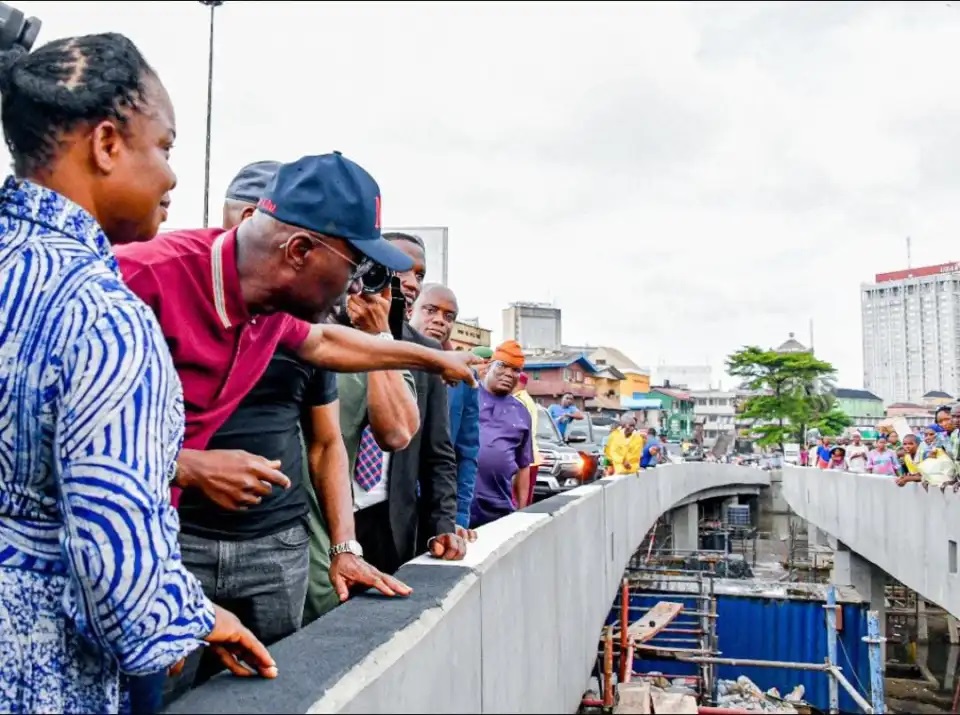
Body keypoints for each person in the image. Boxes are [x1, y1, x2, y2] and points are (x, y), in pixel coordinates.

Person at [0, 33, 274, 714]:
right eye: (165, 148)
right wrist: (184, 620)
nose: (173, 177)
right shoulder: (103, 314)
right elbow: (113, 552)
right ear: (106, 144)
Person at [114, 153, 478, 516]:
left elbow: (323, 342)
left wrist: (436, 359)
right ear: (299, 250)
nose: (354, 288)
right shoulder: (136, 280)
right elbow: (65, 432)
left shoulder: (268, 302)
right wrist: (187, 467)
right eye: (354, 267)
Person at [174, 162, 410, 689]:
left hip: (276, 546)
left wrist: (344, 549)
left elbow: (329, 443)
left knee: (275, 688)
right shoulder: (169, 291)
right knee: (163, 697)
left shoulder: (299, 325)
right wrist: (184, 467)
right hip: (178, 543)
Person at [409, 283, 480, 535]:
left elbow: (466, 452)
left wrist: (457, 517)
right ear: (410, 311)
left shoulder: (464, 378)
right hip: (387, 504)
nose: (440, 321)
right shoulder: (387, 358)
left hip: (437, 510)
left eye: (449, 316)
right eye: (430, 310)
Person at [471, 342, 534, 528]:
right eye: (502, 366)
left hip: (498, 508)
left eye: (515, 370)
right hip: (459, 505)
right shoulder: (467, 396)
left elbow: (523, 466)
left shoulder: (521, 412)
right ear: (489, 367)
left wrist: (522, 512)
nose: (508, 373)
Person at [512, 373, 542, 505]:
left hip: (523, 457)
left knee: (519, 500)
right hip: (531, 456)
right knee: (524, 498)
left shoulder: (519, 401)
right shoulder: (527, 399)